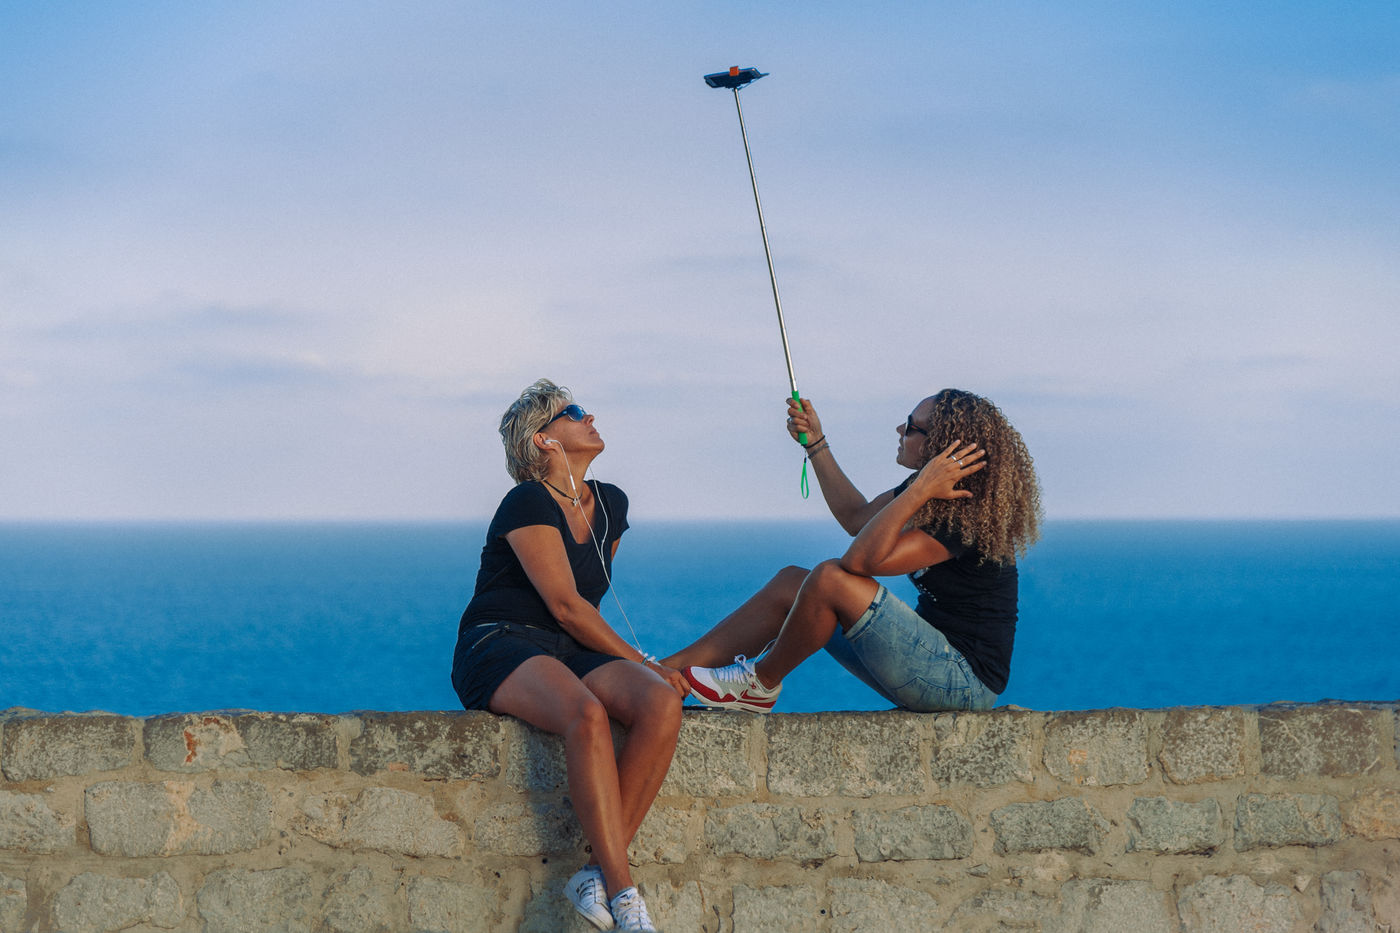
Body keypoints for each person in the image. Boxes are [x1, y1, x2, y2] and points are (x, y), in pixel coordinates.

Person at [451, 379, 687, 932]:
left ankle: (592, 875)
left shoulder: (611, 503)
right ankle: (624, 896)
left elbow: (590, 602)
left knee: (660, 703)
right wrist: (644, 661)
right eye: (574, 412)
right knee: (586, 713)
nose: (590, 416)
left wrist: (646, 676)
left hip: (567, 648)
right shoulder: (527, 501)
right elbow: (565, 604)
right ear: (544, 439)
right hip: (500, 640)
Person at [665, 389, 1042, 713]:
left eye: (911, 426)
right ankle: (665, 673)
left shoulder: (964, 514)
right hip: (929, 662)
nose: (900, 431)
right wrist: (816, 443)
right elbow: (856, 518)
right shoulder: (927, 493)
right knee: (793, 583)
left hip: (963, 684)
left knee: (830, 578)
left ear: (940, 445)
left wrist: (918, 491)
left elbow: (859, 562)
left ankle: (759, 684)